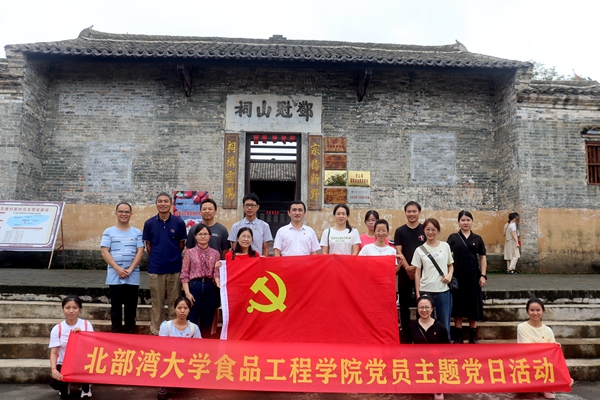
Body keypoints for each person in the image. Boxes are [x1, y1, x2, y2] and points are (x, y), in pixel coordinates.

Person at [143, 192, 187, 335]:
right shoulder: (149, 223)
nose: (163, 204)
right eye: (160, 201)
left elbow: (181, 245)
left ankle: (175, 333)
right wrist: (158, 257)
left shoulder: (179, 223)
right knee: (157, 304)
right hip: (155, 269)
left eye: (166, 201)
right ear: (156, 204)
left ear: (171, 204)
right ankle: (156, 332)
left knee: (175, 302)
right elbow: (148, 246)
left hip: (175, 269)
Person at [101, 201, 145, 333]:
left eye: (127, 212)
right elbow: (104, 251)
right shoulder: (108, 231)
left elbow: (141, 251)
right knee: (116, 308)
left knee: (131, 308)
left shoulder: (137, 232)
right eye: (121, 211)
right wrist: (117, 268)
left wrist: (130, 269)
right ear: (116, 213)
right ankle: (116, 334)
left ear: (131, 214)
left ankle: (130, 334)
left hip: (133, 275)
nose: (124, 214)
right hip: (115, 275)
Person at [517, 298, 574, 399]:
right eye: (532, 310)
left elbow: (552, 353)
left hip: (543, 362)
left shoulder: (548, 330)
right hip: (527, 361)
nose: (535, 313)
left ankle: (546, 386)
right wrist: (547, 347)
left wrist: (554, 347)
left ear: (543, 311)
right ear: (527, 312)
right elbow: (526, 348)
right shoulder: (521, 327)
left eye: (538, 310)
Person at [447, 210, 487, 344]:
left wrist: (483, 275)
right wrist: (448, 274)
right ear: (458, 222)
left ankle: (473, 335)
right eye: (463, 220)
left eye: (468, 220)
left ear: (472, 222)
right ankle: (458, 335)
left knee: (473, 304)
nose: (465, 223)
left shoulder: (477, 238)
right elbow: (446, 257)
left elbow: (482, 257)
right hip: (457, 276)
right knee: (458, 304)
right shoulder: (453, 237)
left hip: (473, 276)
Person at [412, 218, 454, 341]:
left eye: (433, 229)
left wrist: (450, 275)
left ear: (438, 230)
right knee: (426, 323)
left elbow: (450, 264)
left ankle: (446, 352)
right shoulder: (419, 250)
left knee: (444, 322)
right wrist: (418, 293)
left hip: (443, 290)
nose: (430, 232)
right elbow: (417, 273)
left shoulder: (445, 246)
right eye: (428, 229)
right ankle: (427, 350)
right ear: (423, 231)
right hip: (426, 290)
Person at [180, 224, 221, 338]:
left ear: (210, 236)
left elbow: (216, 273)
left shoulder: (215, 253)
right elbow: (184, 273)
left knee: (207, 320)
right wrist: (187, 293)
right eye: (200, 234)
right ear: (195, 236)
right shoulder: (189, 252)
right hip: (194, 287)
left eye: (205, 234)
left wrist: (219, 285)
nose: (203, 236)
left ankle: (205, 348)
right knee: (192, 319)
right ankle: (190, 347)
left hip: (210, 287)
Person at [49, 295, 94, 399]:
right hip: (64, 364)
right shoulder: (58, 328)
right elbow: (54, 352)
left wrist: (82, 335)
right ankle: (65, 384)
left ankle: (86, 387)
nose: (71, 311)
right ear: (63, 309)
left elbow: (92, 347)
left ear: (80, 309)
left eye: (75, 307)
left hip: (83, 363)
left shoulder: (86, 325)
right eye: (67, 308)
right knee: (57, 385)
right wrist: (53, 369)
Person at [157, 296, 201, 400]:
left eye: (185, 308)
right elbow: (160, 347)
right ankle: (163, 385)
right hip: (169, 358)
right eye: (179, 308)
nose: (182, 311)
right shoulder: (166, 326)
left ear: (189, 310)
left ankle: (182, 380)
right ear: (174, 309)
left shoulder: (194, 328)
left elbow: (199, 348)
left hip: (186, 359)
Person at [394, 201, 425, 343]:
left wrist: (416, 268)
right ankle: (405, 333)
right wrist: (408, 268)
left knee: (422, 302)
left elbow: (427, 250)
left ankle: (421, 333)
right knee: (404, 304)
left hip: (423, 273)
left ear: (419, 212)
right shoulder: (400, 231)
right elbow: (398, 251)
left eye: (414, 211)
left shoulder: (424, 229)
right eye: (409, 211)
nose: (411, 214)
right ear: (405, 213)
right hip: (404, 273)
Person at [408, 294, 449, 400]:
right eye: (421, 307)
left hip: (436, 364)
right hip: (417, 363)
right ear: (417, 309)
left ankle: (438, 387)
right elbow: (405, 347)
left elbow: (447, 349)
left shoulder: (440, 327)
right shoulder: (412, 326)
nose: (424, 310)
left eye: (427, 307)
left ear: (432, 309)